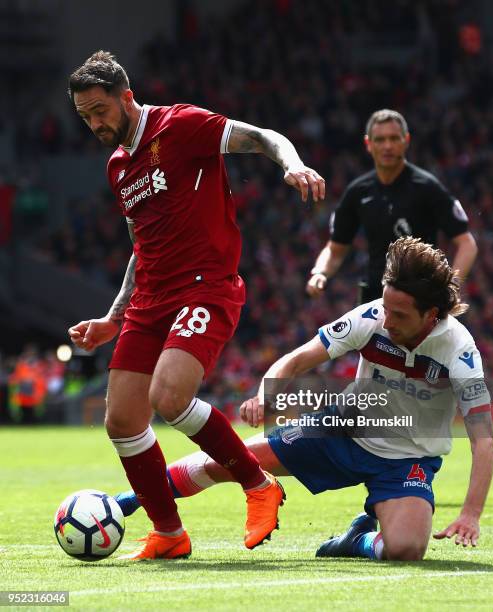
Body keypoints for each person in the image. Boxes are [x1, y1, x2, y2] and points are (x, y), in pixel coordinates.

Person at [66, 50, 325, 560]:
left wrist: (294, 166)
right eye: (84, 117)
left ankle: (258, 485)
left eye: (100, 110)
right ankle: (168, 532)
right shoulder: (118, 167)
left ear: (126, 97)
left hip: (206, 284)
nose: (95, 123)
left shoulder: (180, 126)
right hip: (150, 298)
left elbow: (265, 138)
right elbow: (141, 248)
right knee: (121, 420)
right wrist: (113, 319)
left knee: (168, 395)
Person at [116, 237, 493, 561]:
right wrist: (267, 395)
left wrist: (471, 514)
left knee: (407, 549)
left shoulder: (459, 350)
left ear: (431, 314)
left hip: (406, 458)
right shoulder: (371, 318)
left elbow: (484, 442)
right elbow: (296, 359)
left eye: (399, 314)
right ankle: (123, 503)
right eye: (385, 308)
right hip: (341, 431)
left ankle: (356, 541)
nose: (387, 320)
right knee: (230, 462)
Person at [306, 109, 478, 303]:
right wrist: (320, 272)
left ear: (406, 140)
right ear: (368, 144)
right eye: (380, 140)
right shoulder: (358, 192)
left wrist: (451, 288)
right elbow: (335, 250)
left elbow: (466, 243)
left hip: (421, 303)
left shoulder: (428, 188)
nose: (387, 146)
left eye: (394, 138)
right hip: (375, 300)